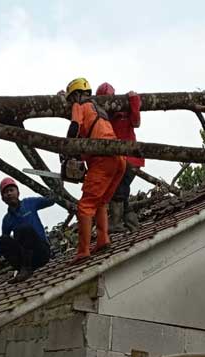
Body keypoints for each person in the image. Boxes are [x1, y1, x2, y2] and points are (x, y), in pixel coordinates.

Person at [64, 77, 127, 264]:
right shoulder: (98, 109)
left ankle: (83, 251)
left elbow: (74, 127)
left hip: (103, 158)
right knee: (101, 201)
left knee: (85, 206)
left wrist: (66, 149)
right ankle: (102, 240)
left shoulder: (79, 106)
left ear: (75, 95)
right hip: (119, 158)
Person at [96, 82, 142, 233]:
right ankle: (133, 226)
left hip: (130, 160)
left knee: (119, 191)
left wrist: (134, 100)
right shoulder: (103, 118)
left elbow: (136, 122)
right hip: (118, 161)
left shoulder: (124, 111)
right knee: (122, 194)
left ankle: (115, 222)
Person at [0, 177, 54, 283]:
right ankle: (22, 269)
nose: (9, 193)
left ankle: (26, 269)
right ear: (3, 199)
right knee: (2, 240)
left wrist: (55, 189)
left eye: (11, 190)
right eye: (6, 192)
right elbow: (3, 244)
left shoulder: (30, 203)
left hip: (41, 252)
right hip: (23, 258)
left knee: (23, 228)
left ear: (18, 192)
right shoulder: (7, 220)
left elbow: (51, 200)